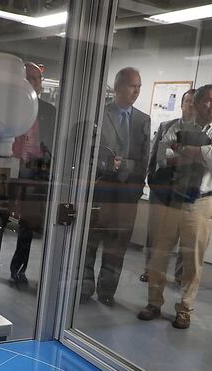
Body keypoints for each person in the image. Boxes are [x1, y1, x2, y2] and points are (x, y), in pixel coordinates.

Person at [137, 84, 212, 329]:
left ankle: (185, 309)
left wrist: (181, 149)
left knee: (192, 260)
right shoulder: (176, 128)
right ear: (197, 103)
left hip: (201, 203)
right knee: (159, 255)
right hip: (174, 199)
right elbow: (163, 157)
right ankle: (153, 303)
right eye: (208, 101)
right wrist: (201, 152)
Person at [81, 67, 150, 306]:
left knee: (117, 245)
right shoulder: (100, 115)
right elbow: (88, 152)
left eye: (139, 86)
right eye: (133, 86)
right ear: (119, 87)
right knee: (90, 241)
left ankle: (107, 291)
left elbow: (144, 161)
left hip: (126, 196)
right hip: (100, 190)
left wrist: (126, 170)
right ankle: (85, 287)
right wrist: (105, 163)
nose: (137, 91)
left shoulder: (143, 120)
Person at [140, 89, 196, 284]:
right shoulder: (166, 126)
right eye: (187, 101)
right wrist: (150, 177)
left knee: (185, 234)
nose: (191, 104)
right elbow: (155, 154)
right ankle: (150, 269)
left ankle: (180, 275)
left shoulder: (203, 132)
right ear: (181, 104)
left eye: (194, 101)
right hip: (162, 186)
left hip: (187, 189)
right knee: (155, 232)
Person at [10, 62, 57, 285]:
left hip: (37, 174)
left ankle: (19, 268)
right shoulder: (9, 107)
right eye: (30, 78)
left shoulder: (49, 111)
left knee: (28, 225)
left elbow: (54, 145)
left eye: (38, 79)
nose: (35, 83)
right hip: (11, 171)